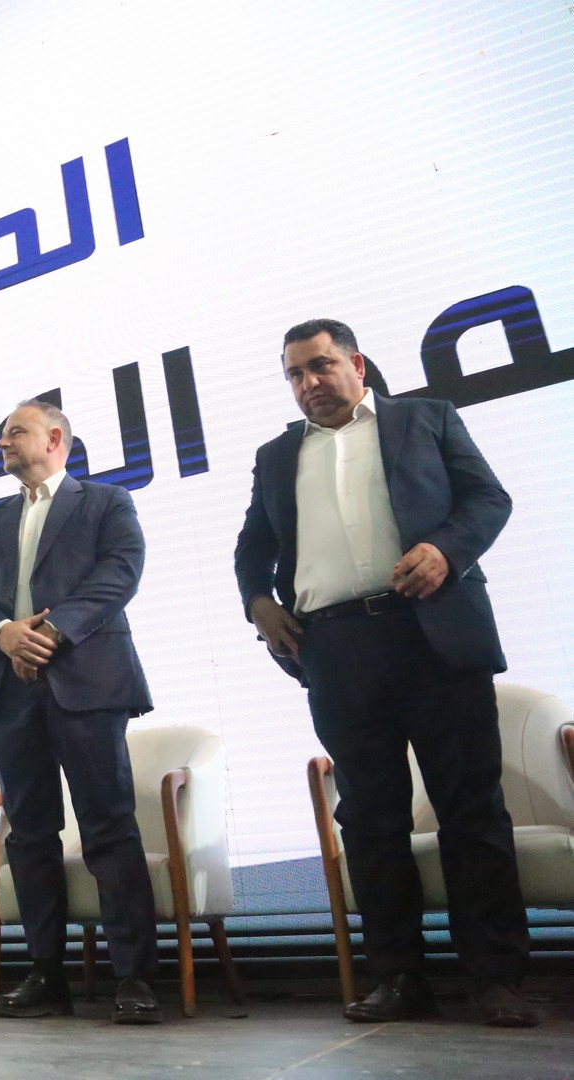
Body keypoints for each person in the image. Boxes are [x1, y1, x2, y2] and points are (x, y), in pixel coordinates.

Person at [234, 318, 535, 1027]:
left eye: (320, 365)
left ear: (357, 364)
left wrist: (446, 550)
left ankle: (495, 979)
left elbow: (489, 499)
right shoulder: (276, 456)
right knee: (369, 819)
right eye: (295, 374)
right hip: (336, 649)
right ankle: (399, 978)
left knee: (471, 810)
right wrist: (258, 604)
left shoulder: (427, 420)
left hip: (434, 634)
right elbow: (253, 546)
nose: (309, 383)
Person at [0, 400, 162, 1025]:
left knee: (108, 825)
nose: (2, 443)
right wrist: (3, 635)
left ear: (54, 438)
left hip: (87, 681)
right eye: (1, 436)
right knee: (29, 834)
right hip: (7, 689)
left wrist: (51, 632)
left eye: (14, 432)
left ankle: (134, 977)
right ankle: (46, 973)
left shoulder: (106, 502)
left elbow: (120, 574)